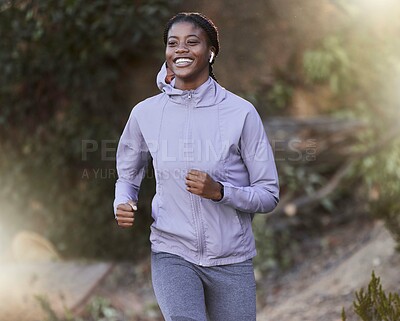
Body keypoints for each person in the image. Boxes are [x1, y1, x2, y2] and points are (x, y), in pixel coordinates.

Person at [113, 12, 279, 321]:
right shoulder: (146, 113)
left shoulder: (240, 113)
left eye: (192, 42)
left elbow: (268, 194)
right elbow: (127, 175)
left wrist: (220, 192)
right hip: (171, 250)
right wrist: (123, 200)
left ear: (211, 51)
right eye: (173, 43)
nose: (181, 50)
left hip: (231, 258)